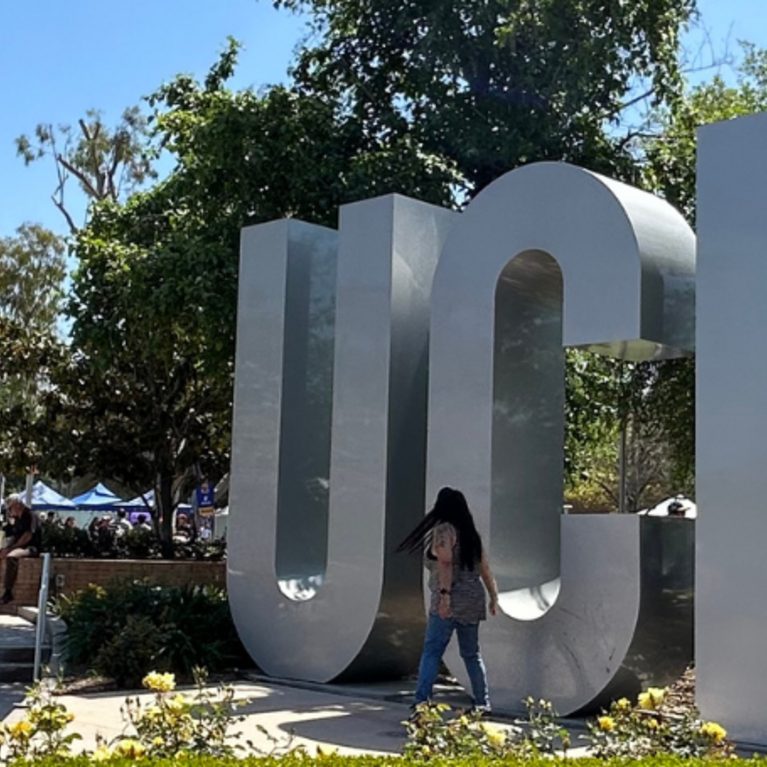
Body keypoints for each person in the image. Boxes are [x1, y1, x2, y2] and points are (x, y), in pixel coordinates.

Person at [397, 487, 498, 714]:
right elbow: (485, 569)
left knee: (432, 651)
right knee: (471, 653)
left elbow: (444, 563)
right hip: (473, 599)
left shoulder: (444, 531)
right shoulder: (472, 534)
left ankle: (422, 701)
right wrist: (493, 596)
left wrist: (445, 596)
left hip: (451, 599)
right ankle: (483, 702)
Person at [0, 494, 42, 605]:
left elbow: (27, 535)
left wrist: (11, 549)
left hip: (31, 547)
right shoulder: (17, 519)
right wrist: (5, 548)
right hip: (19, 546)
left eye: (10, 508)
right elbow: (13, 535)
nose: (9, 511)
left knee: (12, 557)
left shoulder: (30, 515)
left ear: (17, 505)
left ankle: (8, 592)